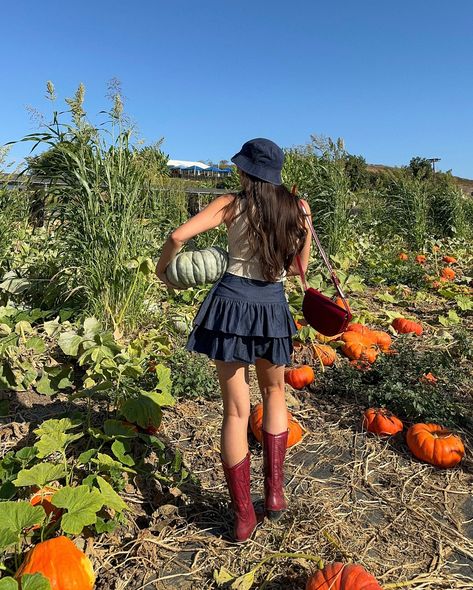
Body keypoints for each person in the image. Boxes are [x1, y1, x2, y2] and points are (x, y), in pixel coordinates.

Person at [156, 138, 311, 543]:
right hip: (272, 306)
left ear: (246, 172)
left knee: (236, 413)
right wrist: (306, 228)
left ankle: (244, 517)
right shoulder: (296, 210)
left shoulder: (231, 204)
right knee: (275, 394)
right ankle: (274, 495)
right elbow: (298, 271)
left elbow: (177, 236)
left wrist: (163, 270)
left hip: (231, 305)